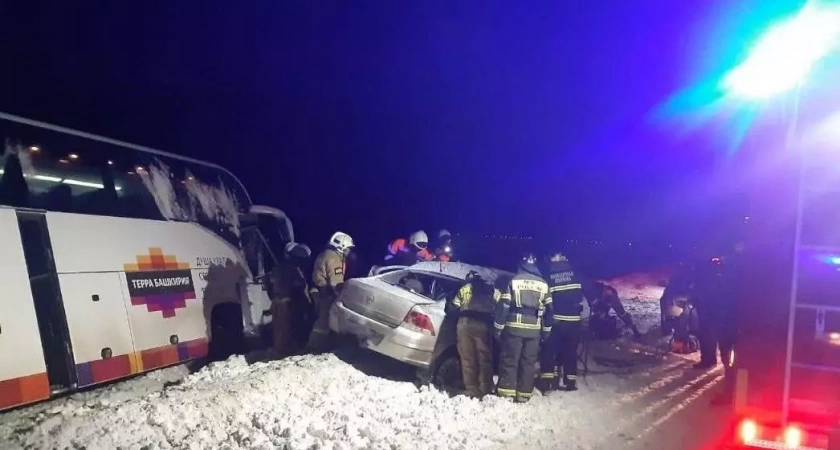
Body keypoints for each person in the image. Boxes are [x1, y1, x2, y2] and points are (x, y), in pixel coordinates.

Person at [495, 252, 551, 403]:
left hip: (514, 328)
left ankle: (507, 392)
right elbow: (550, 311)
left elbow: (505, 305)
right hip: (534, 331)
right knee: (529, 362)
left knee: (510, 360)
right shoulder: (543, 284)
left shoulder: (514, 281)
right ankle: (524, 394)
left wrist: (498, 327)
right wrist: (546, 332)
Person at [537, 252, 584, 392]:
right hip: (574, 322)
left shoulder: (549, 277)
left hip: (556, 321)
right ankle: (570, 383)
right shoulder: (576, 275)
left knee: (549, 350)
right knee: (570, 351)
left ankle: (547, 381)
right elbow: (584, 296)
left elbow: (545, 299)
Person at [452, 271, 499, 399]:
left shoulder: (465, 289)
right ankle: (486, 387)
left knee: (467, 358)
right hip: (483, 326)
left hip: (464, 325)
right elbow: (501, 307)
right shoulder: (493, 291)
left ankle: (471, 388)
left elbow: (454, 306)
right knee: (484, 359)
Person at [307, 231, 354, 352]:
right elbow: (336, 282)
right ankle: (315, 347)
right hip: (325, 293)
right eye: (348, 248)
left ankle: (314, 345)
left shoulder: (325, 254)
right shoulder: (334, 259)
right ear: (342, 247)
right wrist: (342, 296)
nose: (349, 252)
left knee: (319, 319)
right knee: (324, 321)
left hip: (317, 291)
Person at [270, 242, 314, 357]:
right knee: (286, 330)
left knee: (281, 331)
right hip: (286, 304)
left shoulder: (281, 267)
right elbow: (295, 287)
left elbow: (273, 284)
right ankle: (283, 354)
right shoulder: (290, 269)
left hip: (280, 302)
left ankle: (281, 352)